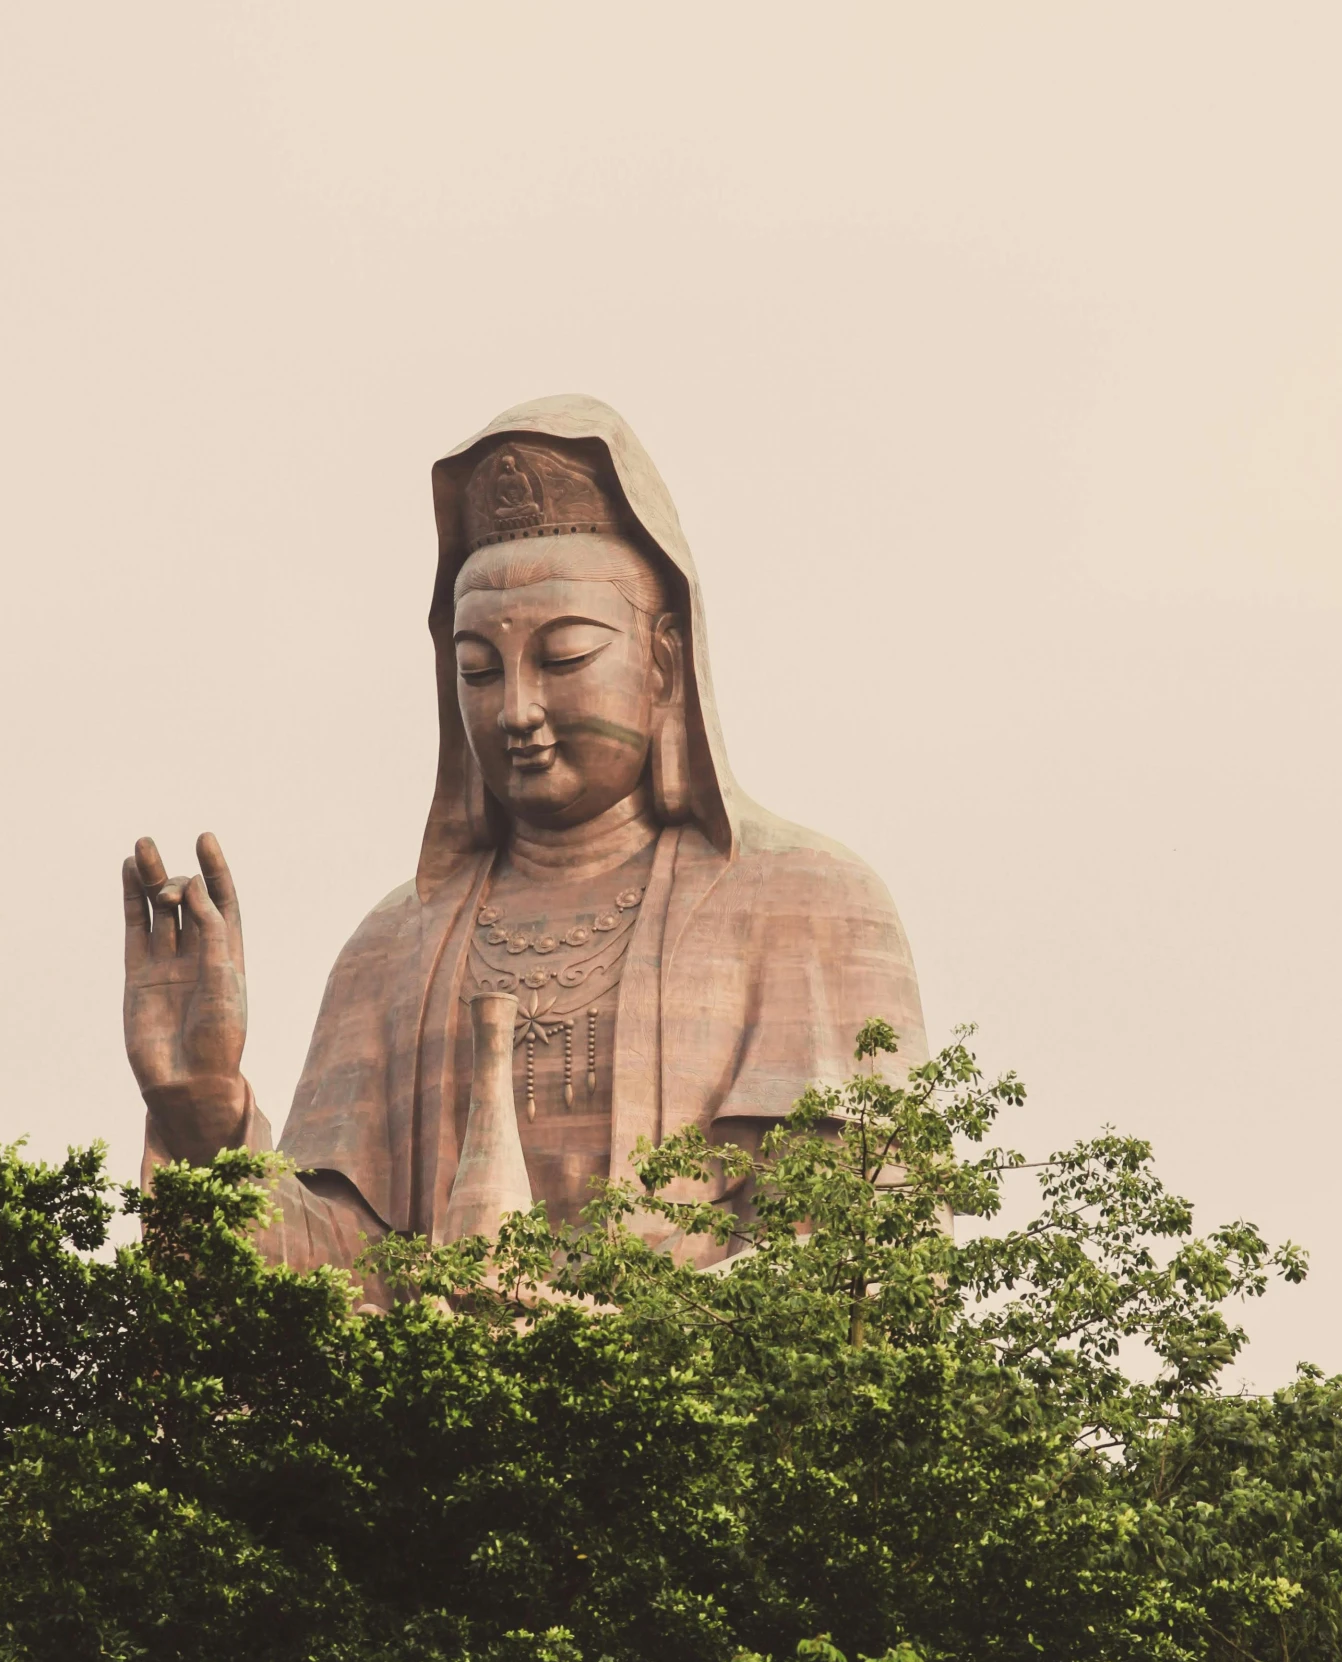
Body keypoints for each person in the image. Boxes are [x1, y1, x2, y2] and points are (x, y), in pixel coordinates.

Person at [123, 395, 929, 1302]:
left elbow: (864, 1263)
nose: (514, 709)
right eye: (477, 668)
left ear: (663, 662)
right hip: (432, 1434)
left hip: (694, 1426)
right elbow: (328, 1294)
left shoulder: (807, 904)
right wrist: (204, 1119)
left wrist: (596, 1348)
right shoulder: (390, 951)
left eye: (563, 657)